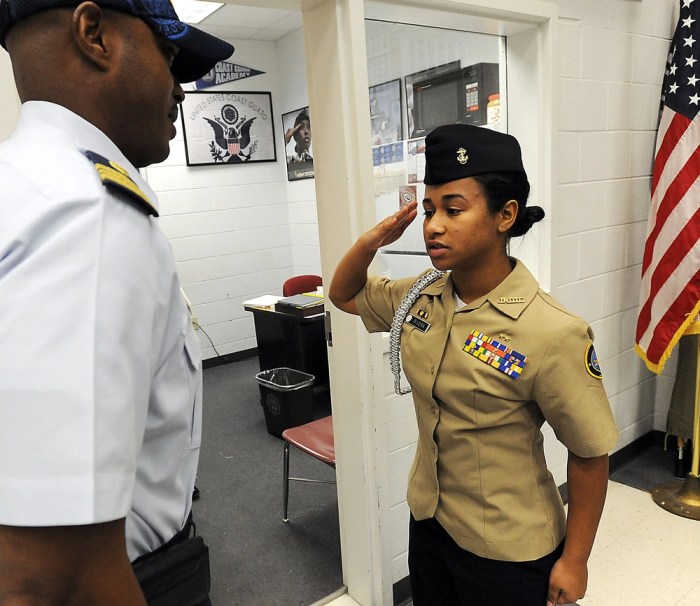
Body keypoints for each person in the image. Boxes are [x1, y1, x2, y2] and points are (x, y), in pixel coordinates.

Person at [0, 0, 233, 604]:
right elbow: (53, 575)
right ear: (94, 34)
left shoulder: (19, 182)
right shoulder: (87, 211)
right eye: (170, 56)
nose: (181, 91)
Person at [329, 124, 619, 606]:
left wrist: (575, 559)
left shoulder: (551, 331)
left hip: (509, 546)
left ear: (505, 215)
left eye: (453, 210)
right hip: (430, 521)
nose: (433, 225)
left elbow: (590, 453)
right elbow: (344, 295)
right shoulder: (421, 295)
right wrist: (373, 240)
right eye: (428, 210)